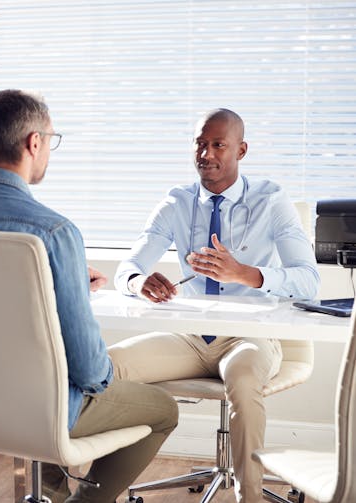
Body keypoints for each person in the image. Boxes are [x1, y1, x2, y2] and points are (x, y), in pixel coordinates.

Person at [0, 89, 178, 503]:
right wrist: (104, 378)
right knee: (163, 409)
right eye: (51, 140)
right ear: (34, 142)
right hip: (40, 410)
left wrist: (61, 281)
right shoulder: (55, 232)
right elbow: (89, 368)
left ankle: (51, 495)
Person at [112, 108, 320, 503]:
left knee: (242, 380)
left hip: (250, 336)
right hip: (189, 337)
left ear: (241, 150)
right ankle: (94, 489)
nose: (206, 154)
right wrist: (140, 283)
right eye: (200, 144)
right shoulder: (177, 201)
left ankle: (250, 498)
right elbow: (129, 267)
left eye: (218, 145)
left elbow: (309, 282)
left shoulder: (271, 200)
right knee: (106, 365)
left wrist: (245, 274)